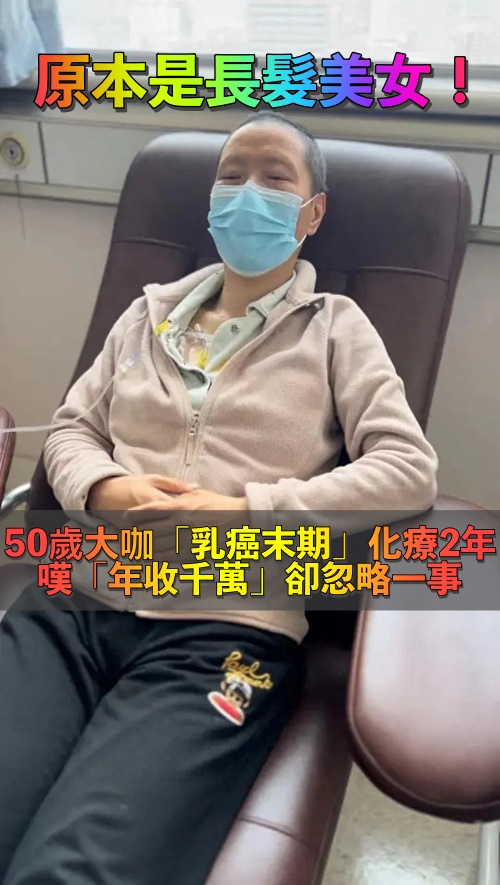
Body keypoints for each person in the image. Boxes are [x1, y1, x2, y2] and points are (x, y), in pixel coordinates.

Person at [0, 110, 438, 885]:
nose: (246, 193)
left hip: (226, 629)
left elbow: (408, 467)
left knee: (73, 870)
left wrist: (249, 511)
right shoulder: (147, 315)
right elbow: (70, 429)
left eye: (274, 178)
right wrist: (104, 485)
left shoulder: (337, 329)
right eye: (231, 176)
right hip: (74, 602)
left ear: (312, 213)